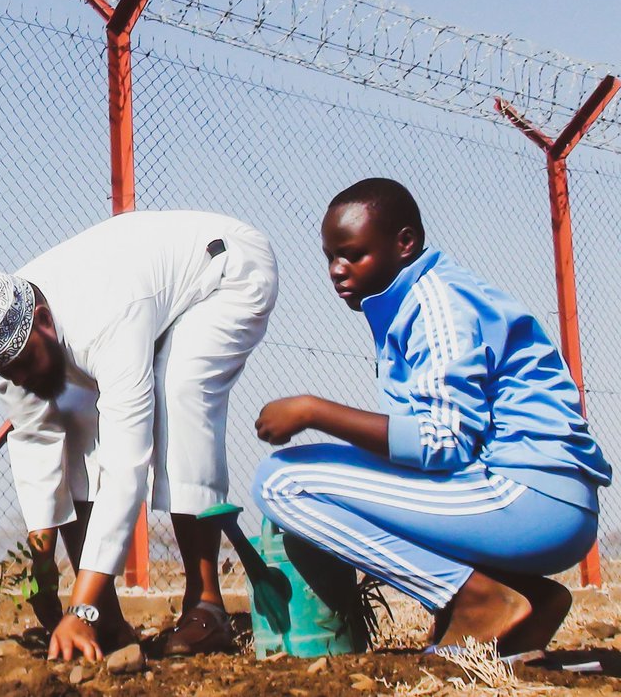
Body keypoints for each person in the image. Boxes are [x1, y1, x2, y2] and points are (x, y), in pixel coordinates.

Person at [252, 177, 612, 657]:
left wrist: (314, 411)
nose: (336, 271)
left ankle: (476, 599)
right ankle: (528, 600)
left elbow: (440, 443)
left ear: (405, 243)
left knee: (283, 481)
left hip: (528, 496)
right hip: (542, 502)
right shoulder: (413, 303)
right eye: (330, 257)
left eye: (352, 254)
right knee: (355, 480)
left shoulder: (435, 304)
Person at [0, 210, 279, 661]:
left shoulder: (104, 317)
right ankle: (104, 618)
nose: (22, 379)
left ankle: (206, 605)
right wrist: (44, 564)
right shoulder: (6, 344)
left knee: (177, 388)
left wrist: (77, 604)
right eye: (11, 373)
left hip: (227, 269)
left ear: (44, 319)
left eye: (26, 363)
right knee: (69, 416)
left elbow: (127, 466)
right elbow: (35, 439)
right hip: (153, 298)